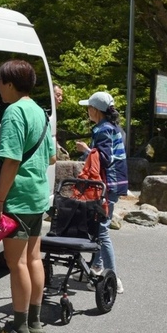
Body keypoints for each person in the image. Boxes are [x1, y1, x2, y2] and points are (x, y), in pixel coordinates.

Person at [0, 59, 56, 333]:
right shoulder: (40, 111)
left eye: (0, 82)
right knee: (33, 259)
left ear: (10, 84)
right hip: (37, 195)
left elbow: (12, 160)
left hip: (17, 198)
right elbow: (51, 157)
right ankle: (36, 322)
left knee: (16, 264)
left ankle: (19, 329)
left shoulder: (13, 113)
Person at [75, 90, 128, 293]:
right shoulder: (114, 128)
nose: (87, 111)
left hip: (107, 184)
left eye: (88, 107)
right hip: (117, 182)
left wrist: (86, 151)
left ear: (95, 110)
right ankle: (96, 267)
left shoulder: (101, 130)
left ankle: (113, 277)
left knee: (102, 229)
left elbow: (105, 159)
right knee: (99, 225)